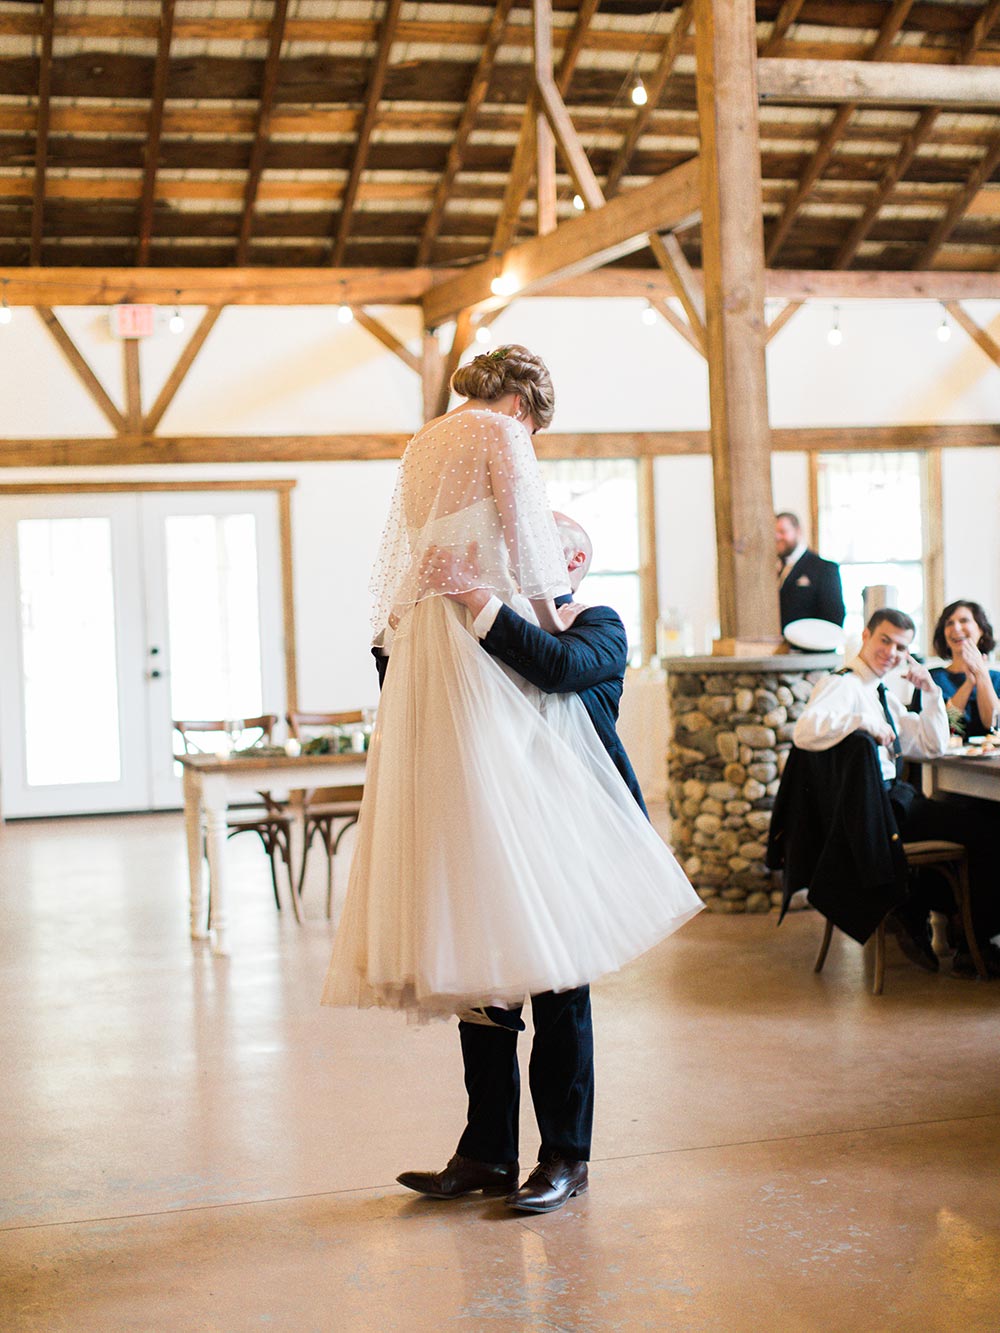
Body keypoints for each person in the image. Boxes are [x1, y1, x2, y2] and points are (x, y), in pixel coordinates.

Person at [321, 346, 701, 1027]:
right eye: (534, 430)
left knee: (459, 802)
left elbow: (411, 555)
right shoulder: (501, 431)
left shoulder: (421, 443)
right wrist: (553, 617)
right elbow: (530, 544)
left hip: (425, 634)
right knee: (517, 787)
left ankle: (476, 963)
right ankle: (531, 945)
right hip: (481, 631)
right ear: (523, 405)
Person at [395, 514, 641, 1213]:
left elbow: (556, 669)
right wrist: (405, 627)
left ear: (574, 561)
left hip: (569, 834)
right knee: (485, 992)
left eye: (528, 543)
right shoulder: (476, 628)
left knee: (558, 992)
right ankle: (488, 1153)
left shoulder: (599, 624)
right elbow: (413, 695)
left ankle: (565, 1157)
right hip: (489, 830)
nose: (508, 552)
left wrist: (473, 596)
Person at [792, 607, 1000, 977]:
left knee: (980, 822)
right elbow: (804, 731)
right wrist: (861, 721)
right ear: (865, 636)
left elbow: (934, 744)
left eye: (900, 646)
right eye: (884, 640)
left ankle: (941, 918)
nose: (891, 652)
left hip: (892, 801)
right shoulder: (844, 685)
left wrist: (934, 691)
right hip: (879, 811)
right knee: (986, 831)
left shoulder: (882, 691)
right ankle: (968, 940)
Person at [929, 600, 1000, 738]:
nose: (956, 628)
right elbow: (945, 726)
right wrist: (969, 683)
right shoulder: (932, 679)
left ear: (981, 629)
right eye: (949, 623)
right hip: (949, 752)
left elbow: (994, 724)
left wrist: (981, 673)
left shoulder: (997, 679)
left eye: (964, 620)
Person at [775, 511, 845, 630]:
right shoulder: (775, 569)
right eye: (774, 533)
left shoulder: (824, 568)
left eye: (782, 532)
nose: (777, 537)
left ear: (798, 531)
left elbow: (834, 617)